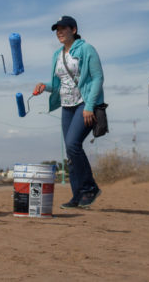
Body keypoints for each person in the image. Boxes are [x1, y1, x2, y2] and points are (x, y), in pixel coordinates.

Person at [33, 16, 104, 210]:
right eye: (57, 29)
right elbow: (58, 84)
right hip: (67, 106)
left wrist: (89, 106)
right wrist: (43, 86)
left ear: (73, 29)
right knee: (71, 152)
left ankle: (90, 188)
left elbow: (97, 78)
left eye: (63, 28)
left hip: (84, 103)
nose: (59, 32)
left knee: (73, 144)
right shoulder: (57, 54)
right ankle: (77, 196)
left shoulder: (86, 49)